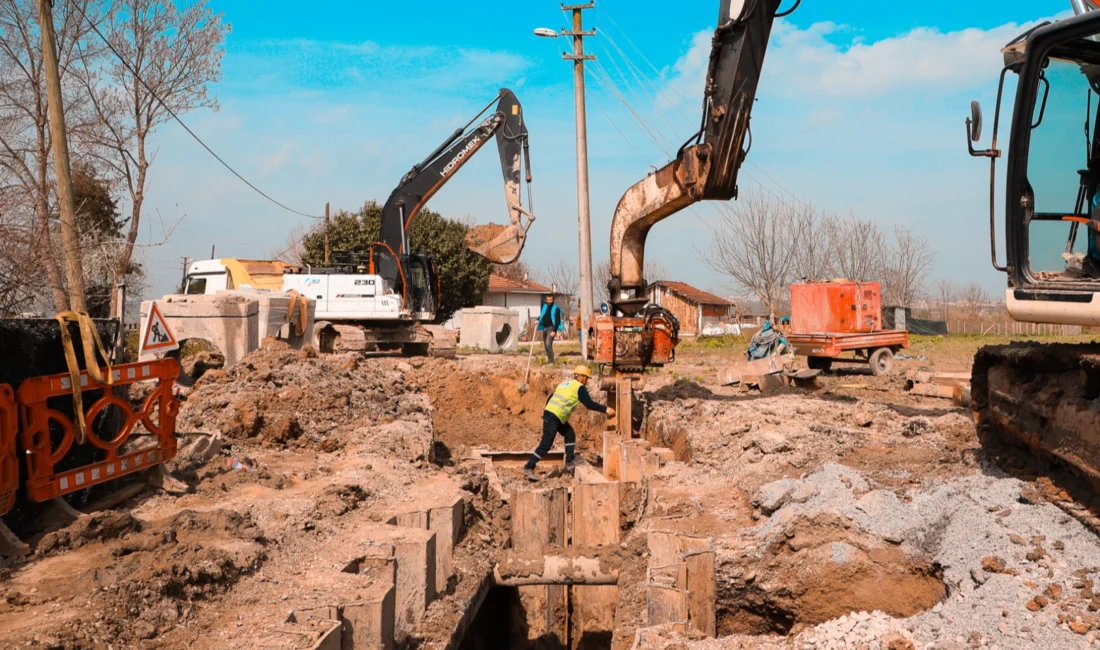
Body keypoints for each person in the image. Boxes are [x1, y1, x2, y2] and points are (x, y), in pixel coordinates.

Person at [524, 365, 614, 482]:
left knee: (569, 433)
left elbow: (551, 396)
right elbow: (589, 404)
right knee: (546, 444)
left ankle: (569, 461)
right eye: (586, 378)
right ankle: (529, 466)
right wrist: (606, 409)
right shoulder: (579, 388)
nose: (586, 381)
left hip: (552, 414)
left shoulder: (565, 384)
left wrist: (549, 411)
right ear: (580, 377)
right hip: (554, 416)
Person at [536, 294, 564, 363]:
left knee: (548, 344)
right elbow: (542, 315)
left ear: (553, 300)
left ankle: (552, 362)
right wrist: (537, 319)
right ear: (546, 300)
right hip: (544, 328)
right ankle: (549, 360)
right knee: (546, 346)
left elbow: (557, 321)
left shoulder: (556, 309)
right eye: (548, 300)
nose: (549, 301)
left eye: (550, 300)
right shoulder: (544, 307)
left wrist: (554, 331)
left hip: (551, 328)